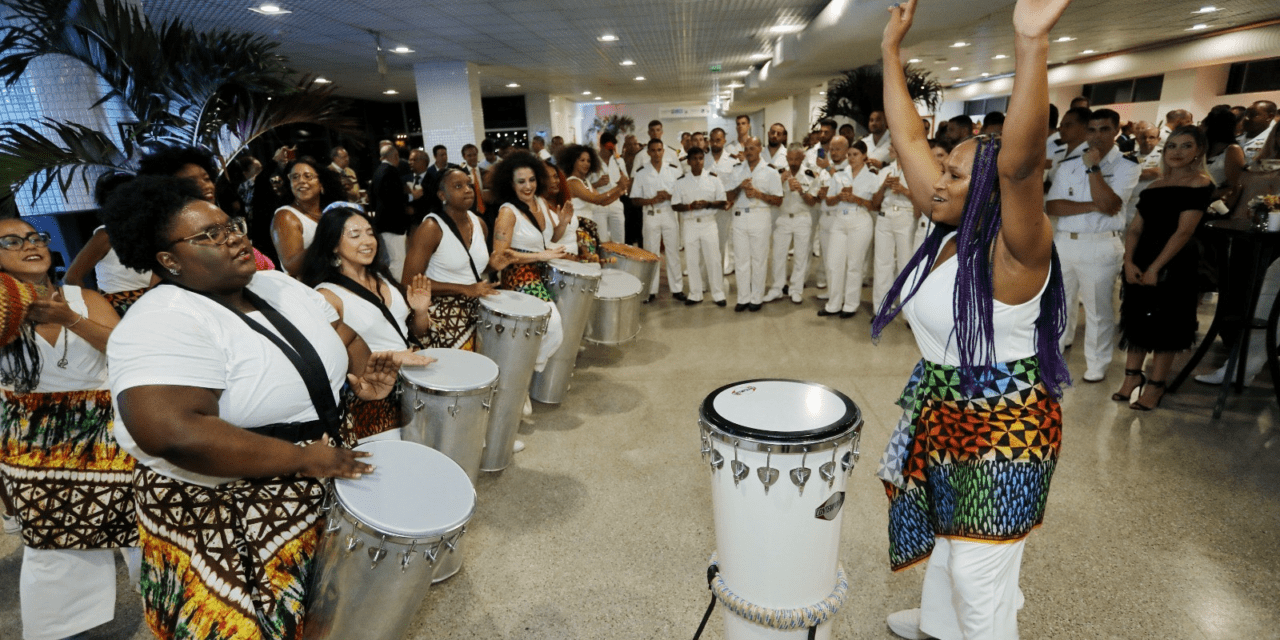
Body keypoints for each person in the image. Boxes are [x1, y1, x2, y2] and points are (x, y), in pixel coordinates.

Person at [102, 175, 425, 639]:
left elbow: (341, 337)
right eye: (208, 236)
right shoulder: (162, 319)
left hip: (320, 470)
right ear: (169, 260)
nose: (232, 238)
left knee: (334, 615)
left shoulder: (278, 286)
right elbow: (172, 432)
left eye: (230, 226)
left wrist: (361, 385)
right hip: (225, 510)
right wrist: (300, 458)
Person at [875, 0, 1072, 637]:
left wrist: (1030, 43)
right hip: (946, 414)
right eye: (941, 168)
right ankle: (939, 624)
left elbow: (1019, 166)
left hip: (1005, 426)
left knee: (978, 574)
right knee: (951, 537)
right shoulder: (950, 228)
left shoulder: (1019, 248)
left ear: (988, 190)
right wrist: (890, 51)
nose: (936, 181)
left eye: (954, 175)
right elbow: (908, 138)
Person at [0, 217, 141, 640]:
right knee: (52, 542)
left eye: (35, 236)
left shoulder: (84, 297)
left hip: (107, 432)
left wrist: (69, 318)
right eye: (11, 241)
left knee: (140, 528)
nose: (30, 244)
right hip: (32, 444)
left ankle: (166, 609)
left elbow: (126, 349)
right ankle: (59, 630)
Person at [302, 207, 434, 443]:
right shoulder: (326, 296)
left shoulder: (382, 277)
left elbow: (413, 333)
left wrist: (421, 311)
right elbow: (333, 363)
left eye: (370, 233)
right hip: (373, 393)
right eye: (355, 235)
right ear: (333, 245)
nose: (367, 241)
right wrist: (395, 358)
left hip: (413, 381)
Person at [1113, 125, 1213, 410]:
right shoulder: (1155, 186)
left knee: (1167, 325)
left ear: (1199, 151)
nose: (1177, 152)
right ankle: (1132, 378)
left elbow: (1183, 232)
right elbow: (1134, 229)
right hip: (1141, 257)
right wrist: (1129, 260)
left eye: (1186, 146)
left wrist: (1156, 267)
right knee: (1136, 319)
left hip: (1176, 261)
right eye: (1172, 146)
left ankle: (1156, 385)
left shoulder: (1200, 183)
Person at [1046, 108, 1142, 382]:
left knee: (1098, 310)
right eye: (1092, 129)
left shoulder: (1127, 165)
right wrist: (1094, 205)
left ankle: (1097, 362)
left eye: (1104, 129)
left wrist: (1093, 169)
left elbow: (1111, 205)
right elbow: (1053, 205)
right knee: (1058, 304)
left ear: (1116, 132)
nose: (1097, 135)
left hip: (1100, 246)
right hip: (1065, 242)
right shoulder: (1068, 165)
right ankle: (1053, 351)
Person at [404, 167, 514, 350]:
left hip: (475, 301)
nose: (467, 189)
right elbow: (408, 282)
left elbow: (465, 268)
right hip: (441, 307)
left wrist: (490, 266)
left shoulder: (479, 223)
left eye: (469, 184)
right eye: (458, 186)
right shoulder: (431, 228)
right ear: (442, 195)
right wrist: (463, 289)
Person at [489, 152, 571, 371]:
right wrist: (540, 256)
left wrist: (562, 223)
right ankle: (525, 371)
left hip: (543, 270)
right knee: (552, 326)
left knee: (556, 326)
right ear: (511, 184)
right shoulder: (508, 212)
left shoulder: (540, 202)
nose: (528, 186)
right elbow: (500, 256)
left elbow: (550, 238)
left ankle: (526, 371)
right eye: (521, 181)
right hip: (520, 274)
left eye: (532, 180)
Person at [65, 171, 159, 315]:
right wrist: (91, 310)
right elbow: (72, 278)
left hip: (155, 300)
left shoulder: (155, 229)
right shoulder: (105, 236)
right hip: (118, 307)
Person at [820, 137, 882, 318]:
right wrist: (839, 196)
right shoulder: (839, 175)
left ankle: (850, 304)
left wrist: (857, 199)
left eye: (855, 154)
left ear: (864, 156)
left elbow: (875, 206)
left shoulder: (872, 177)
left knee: (855, 265)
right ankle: (833, 303)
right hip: (839, 220)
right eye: (849, 155)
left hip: (860, 219)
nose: (851, 158)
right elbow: (829, 201)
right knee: (834, 263)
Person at [726, 136, 784, 312]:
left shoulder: (771, 171)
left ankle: (756, 298)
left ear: (760, 149)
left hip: (760, 216)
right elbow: (728, 197)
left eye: (752, 148)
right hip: (739, 216)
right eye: (746, 148)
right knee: (741, 260)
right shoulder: (736, 169)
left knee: (758, 259)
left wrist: (759, 194)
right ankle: (743, 298)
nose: (749, 152)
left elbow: (778, 200)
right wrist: (739, 187)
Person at [630, 139, 687, 302]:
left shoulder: (674, 170)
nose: (656, 153)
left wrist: (669, 196)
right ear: (648, 153)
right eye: (653, 150)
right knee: (651, 253)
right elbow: (634, 199)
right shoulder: (641, 172)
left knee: (673, 252)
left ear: (664, 151)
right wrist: (651, 200)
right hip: (651, 214)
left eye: (659, 150)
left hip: (669, 214)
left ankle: (677, 289)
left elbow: (682, 194)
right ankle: (650, 290)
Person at [671, 146, 729, 306]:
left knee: (714, 260)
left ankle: (718, 293)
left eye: (700, 158)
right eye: (694, 159)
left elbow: (723, 202)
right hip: (690, 224)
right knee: (691, 260)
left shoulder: (713, 179)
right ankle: (695, 293)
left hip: (709, 223)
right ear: (688, 161)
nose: (698, 162)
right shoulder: (681, 182)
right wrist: (690, 206)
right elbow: (675, 205)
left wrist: (708, 204)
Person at [764, 144, 820, 305]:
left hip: (802, 218)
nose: (793, 162)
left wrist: (801, 191)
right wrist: (780, 184)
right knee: (778, 256)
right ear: (786, 157)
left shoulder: (810, 175)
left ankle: (796, 289)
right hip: (783, 218)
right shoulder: (779, 173)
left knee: (801, 256)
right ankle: (776, 288)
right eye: (790, 158)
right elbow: (771, 198)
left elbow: (812, 202)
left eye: (797, 158)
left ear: (803, 157)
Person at [271, 156, 345, 277]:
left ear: (321, 184)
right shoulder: (286, 216)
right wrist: (327, 238)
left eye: (307, 176)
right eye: (295, 177)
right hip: (311, 288)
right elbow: (292, 266)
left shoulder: (329, 212)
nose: (301, 181)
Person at [560, 144, 630, 251]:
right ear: (573, 161)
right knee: (586, 261)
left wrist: (620, 191)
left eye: (588, 161)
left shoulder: (585, 182)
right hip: (577, 228)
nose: (586, 164)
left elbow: (604, 202)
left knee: (592, 261)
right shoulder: (573, 182)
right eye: (582, 160)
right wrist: (618, 187)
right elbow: (596, 200)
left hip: (588, 226)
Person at [873, 144, 917, 312]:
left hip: (905, 215)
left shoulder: (913, 170)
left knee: (905, 262)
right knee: (882, 262)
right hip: (885, 216)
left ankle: (907, 311)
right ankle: (881, 307)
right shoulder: (885, 170)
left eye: (893, 145)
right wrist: (884, 186)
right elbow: (875, 202)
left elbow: (923, 198)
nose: (889, 148)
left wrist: (904, 190)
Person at [370, 144, 413, 277]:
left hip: (382, 222)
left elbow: (372, 197)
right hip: (393, 223)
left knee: (391, 259)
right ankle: (399, 290)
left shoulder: (377, 171)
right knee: (398, 260)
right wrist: (412, 196)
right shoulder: (390, 171)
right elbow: (394, 197)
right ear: (395, 156)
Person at [590, 131, 629, 244]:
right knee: (602, 240)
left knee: (619, 239)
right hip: (599, 204)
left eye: (613, 148)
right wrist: (597, 184)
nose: (611, 151)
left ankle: (619, 261)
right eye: (608, 148)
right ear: (601, 145)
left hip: (616, 202)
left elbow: (626, 182)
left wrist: (622, 185)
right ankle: (605, 261)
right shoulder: (592, 162)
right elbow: (584, 186)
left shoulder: (619, 161)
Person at [1203, 106, 1246, 205]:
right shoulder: (1204, 148)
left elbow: (1234, 185)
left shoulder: (1232, 150)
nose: (1201, 129)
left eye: (1204, 125)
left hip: (1214, 202)